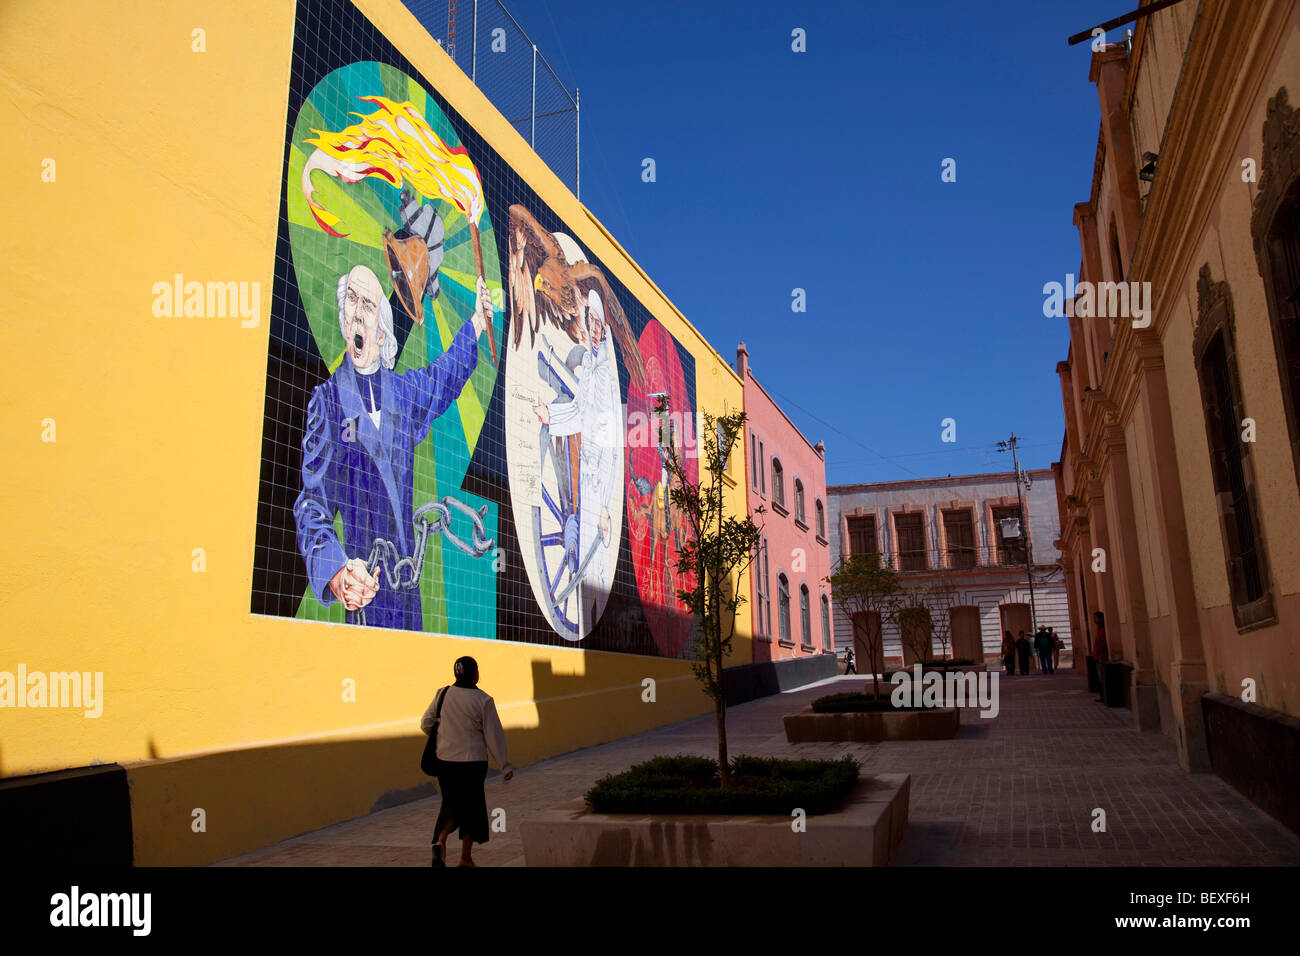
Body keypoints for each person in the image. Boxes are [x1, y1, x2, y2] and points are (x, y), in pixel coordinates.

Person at [294, 263, 493, 629]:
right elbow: (312, 504)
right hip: (365, 588)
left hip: (407, 587)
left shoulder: (402, 394)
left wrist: (477, 323)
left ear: (381, 335)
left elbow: (443, 376)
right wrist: (337, 571)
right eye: (350, 300)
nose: (356, 311)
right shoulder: (328, 402)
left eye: (367, 304)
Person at [532, 289, 621, 632]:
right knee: (584, 545)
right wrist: (549, 417)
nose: (594, 328)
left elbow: (613, 441)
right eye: (591, 321)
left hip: (600, 474)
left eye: (598, 322)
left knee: (595, 552)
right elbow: (580, 413)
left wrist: (605, 507)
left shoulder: (608, 378)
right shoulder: (592, 370)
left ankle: (596, 621)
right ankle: (590, 621)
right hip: (586, 473)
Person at [420, 656, 514, 867]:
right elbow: (494, 736)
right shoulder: (483, 700)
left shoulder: (442, 694)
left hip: (445, 762)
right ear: (475, 674)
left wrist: (445, 737)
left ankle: (440, 840)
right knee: (472, 810)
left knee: (451, 804)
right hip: (472, 764)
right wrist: (504, 765)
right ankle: (465, 857)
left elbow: (426, 724)